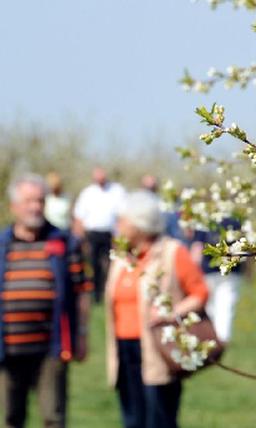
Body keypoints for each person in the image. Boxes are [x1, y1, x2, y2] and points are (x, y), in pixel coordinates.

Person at [104, 191, 208, 428]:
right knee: (132, 419)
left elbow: (200, 293)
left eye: (123, 220)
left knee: (159, 419)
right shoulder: (121, 256)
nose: (118, 226)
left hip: (158, 348)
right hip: (124, 350)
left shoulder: (172, 252)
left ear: (139, 225)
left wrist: (172, 312)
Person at [0, 174, 91, 428]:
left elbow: (82, 290)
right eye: (29, 201)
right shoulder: (2, 245)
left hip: (51, 348)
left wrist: (82, 336)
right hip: (9, 349)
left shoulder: (63, 242)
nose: (35, 207)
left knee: (53, 417)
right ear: (14, 206)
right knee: (11, 418)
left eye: (40, 200)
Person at [169, 217, 243, 343]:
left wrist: (192, 271)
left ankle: (213, 339)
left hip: (208, 271)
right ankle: (221, 340)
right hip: (230, 272)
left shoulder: (205, 220)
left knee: (211, 308)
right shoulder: (235, 220)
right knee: (225, 307)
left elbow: (196, 250)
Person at [73, 167, 125, 304]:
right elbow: (79, 217)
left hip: (110, 234)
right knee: (94, 265)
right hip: (93, 234)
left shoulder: (116, 191)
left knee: (112, 264)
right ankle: (97, 295)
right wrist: (80, 238)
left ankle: (111, 291)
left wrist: (119, 237)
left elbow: (122, 215)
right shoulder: (88, 193)